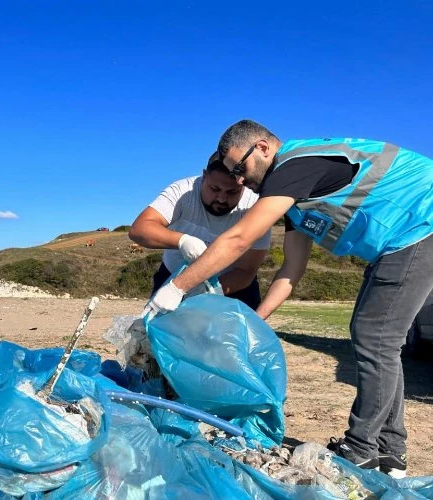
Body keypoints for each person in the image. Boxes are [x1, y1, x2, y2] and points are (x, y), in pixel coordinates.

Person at [145, 120, 433, 478]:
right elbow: (290, 272)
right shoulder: (295, 198)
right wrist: (256, 317)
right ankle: (390, 452)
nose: (239, 180)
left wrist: (176, 288)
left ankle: (361, 449)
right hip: (400, 242)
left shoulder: (294, 166)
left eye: (240, 168)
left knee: (375, 338)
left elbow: (238, 240)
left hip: (422, 226)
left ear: (263, 148)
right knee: (378, 341)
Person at [129, 153, 270, 310]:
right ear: (204, 176)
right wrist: (182, 241)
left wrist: (205, 291)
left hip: (233, 284)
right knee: (161, 332)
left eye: (232, 192)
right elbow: (139, 228)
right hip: (173, 275)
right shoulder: (182, 191)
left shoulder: (255, 206)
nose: (222, 198)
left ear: (243, 184)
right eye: (215, 188)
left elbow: (246, 271)